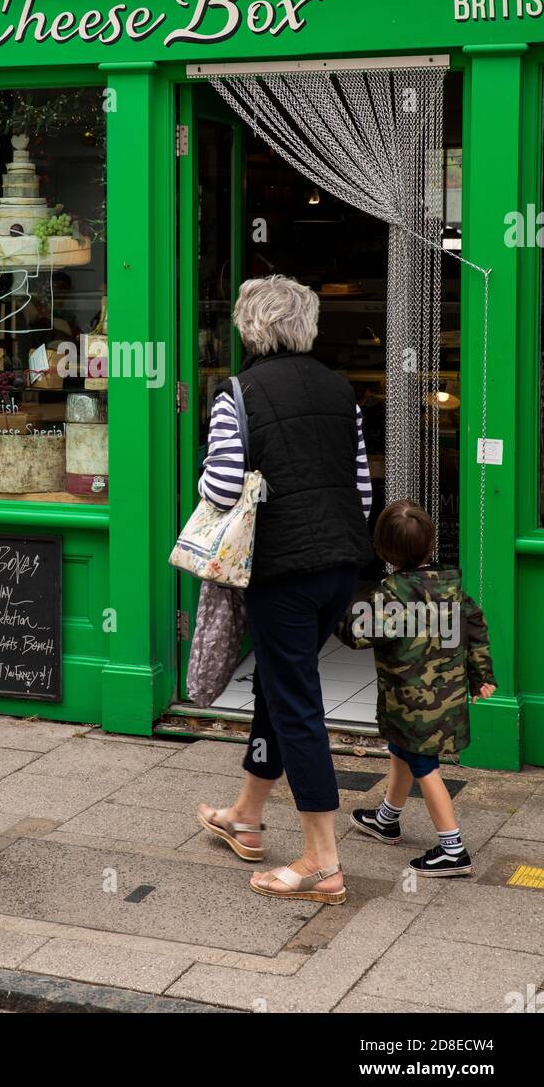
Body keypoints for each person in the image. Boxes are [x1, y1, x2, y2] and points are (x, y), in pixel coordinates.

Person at [196, 275, 373, 905]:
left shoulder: (236, 394)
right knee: (279, 682)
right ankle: (245, 812)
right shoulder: (339, 390)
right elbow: (362, 490)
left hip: (282, 571)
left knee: (297, 704)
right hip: (342, 566)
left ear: (250, 326)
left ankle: (323, 863)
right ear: (306, 324)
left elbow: (219, 490)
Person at [336, 499, 497, 877]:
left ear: (383, 551)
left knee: (425, 766)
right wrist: (482, 676)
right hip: (445, 699)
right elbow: (476, 628)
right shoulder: (451, 589)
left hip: (411, 704)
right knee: (401, 750)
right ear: (430, 545)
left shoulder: (391, 596)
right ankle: (387, 818)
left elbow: (356, 634)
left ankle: (453, 848)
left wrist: (331, 609)